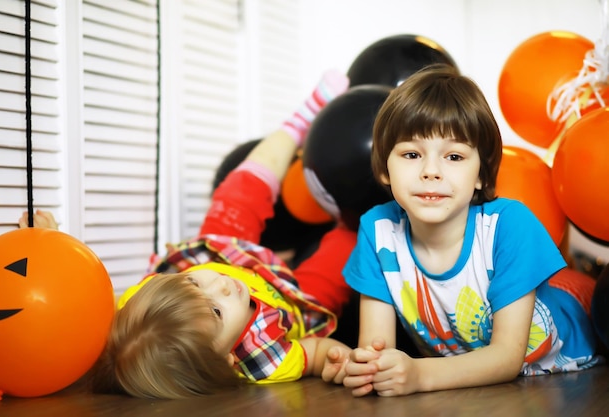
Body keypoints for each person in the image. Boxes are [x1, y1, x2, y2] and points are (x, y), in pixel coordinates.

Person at [82, 70, 358, 399]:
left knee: (239, 193)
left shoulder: (135, 310)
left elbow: (81, 305)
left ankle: (299, 122)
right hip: (291, 299)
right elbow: (313, 355)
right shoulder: (266, 360)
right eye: (217, 311)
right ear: (228, 360)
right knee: (347, 254)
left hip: (220, 254)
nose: (220, 285)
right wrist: (340, 359)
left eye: (193, 283)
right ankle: (370, 206)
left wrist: (53, 247)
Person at [341, 64, 602, 398]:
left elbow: (507, 357)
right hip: (470, 380)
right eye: (411, 154)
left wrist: (419, 374)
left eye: (453, 155)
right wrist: (362, 367)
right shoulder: (377, 231)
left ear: (481, 173)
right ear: (384, 168)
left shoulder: (510, 223)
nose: (431, 171)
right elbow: (378, 352)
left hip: (573, 337)